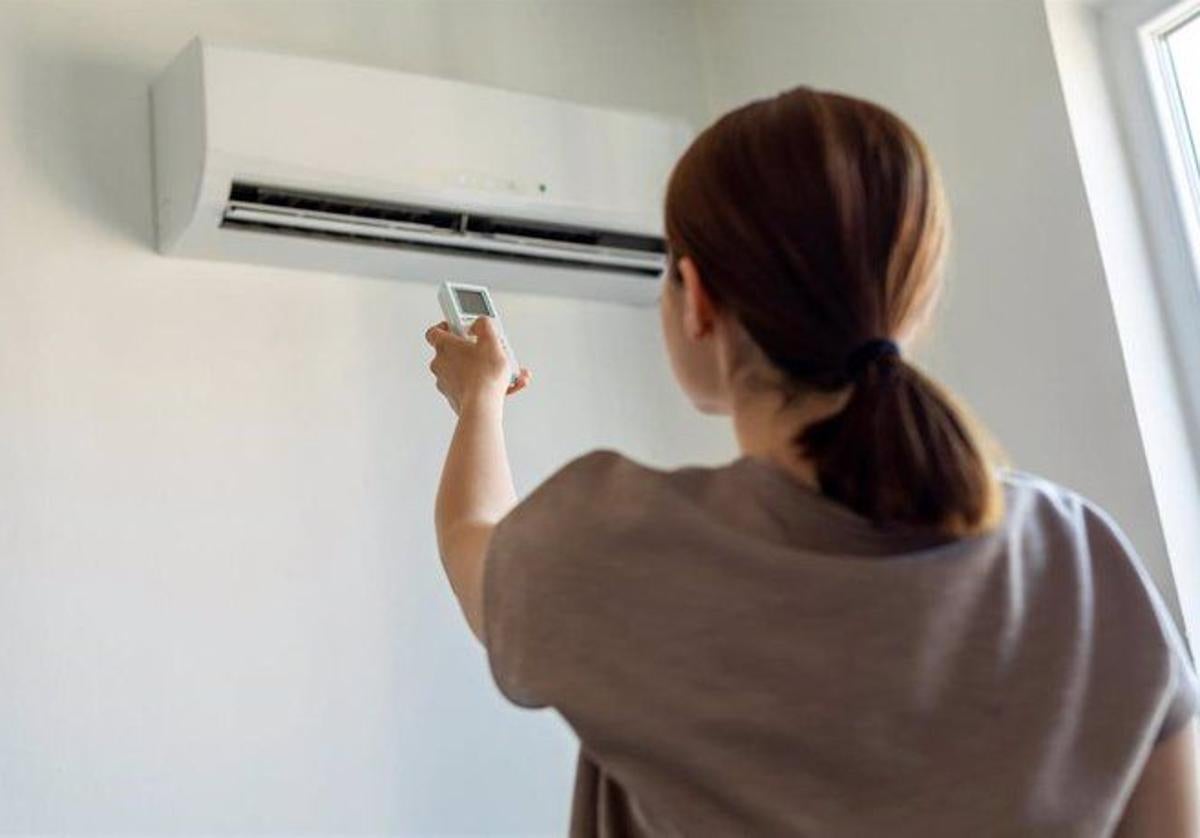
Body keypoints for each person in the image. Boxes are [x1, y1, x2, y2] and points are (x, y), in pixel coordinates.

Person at [423, 87, 1199, 836]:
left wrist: (480, 399)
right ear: (910, 296)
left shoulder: (619, 546)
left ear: (695, 298)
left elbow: (473, 539)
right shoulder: (1078, 556)